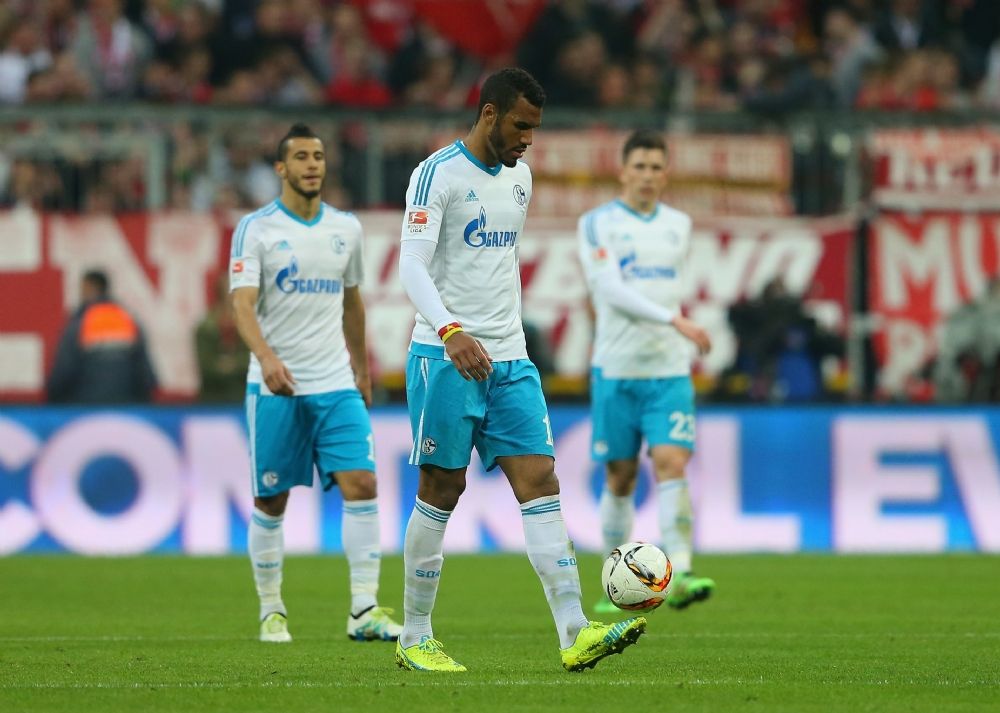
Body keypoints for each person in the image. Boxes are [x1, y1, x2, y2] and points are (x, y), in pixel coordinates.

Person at [395, 67, 646, 674]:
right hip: (445, 356)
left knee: (541, 481)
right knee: (441, 490)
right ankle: (415, 635)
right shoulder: (436, 174)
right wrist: (451, 331)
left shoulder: (520, 178)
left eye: (534, 129)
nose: (528, 140)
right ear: (488, 113)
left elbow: (495, 266)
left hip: (510, 358)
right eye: (520, 126)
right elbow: (411, 265)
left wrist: (500, 337)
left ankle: (574, 632)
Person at [229, 123, 401, 644]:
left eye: (319, 156)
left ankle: (364, 609)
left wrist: (362, 369)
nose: (312, 165)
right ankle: (271, 609)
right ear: (281, 168)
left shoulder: (346, 228)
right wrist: (266, 357)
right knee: (271, 501)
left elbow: (352, 302)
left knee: (363, 484)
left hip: (335, 383)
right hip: (276, 386)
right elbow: (241, 304)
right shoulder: (256, 229)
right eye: (301, 157)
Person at [577, 130, 715, 615]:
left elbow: (667, 288)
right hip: (616, 368)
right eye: (639, 166)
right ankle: (613, 584)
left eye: (657, 167)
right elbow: (608, 290)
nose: (648, 176)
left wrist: (674, 326)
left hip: (668, 369)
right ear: (622, 171)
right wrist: (674, 320)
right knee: (620, 475)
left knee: (672, 462)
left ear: (666, 174)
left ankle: (683, 571)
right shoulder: (596, 224)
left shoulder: (679, 225)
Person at [46, 269, 157, 404]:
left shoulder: (80, 324)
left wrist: (54, 403)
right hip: (126, 407)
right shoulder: (128, 322)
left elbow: (62, 373)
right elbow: (146, 376)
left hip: (86, 407)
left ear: (89, 288)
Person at [195, 272, 250, 402]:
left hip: (243, 395)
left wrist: (232, 364)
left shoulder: (251, 327)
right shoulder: (206, 328)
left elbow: (255, 360)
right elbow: (205, 366)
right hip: (212, 397)